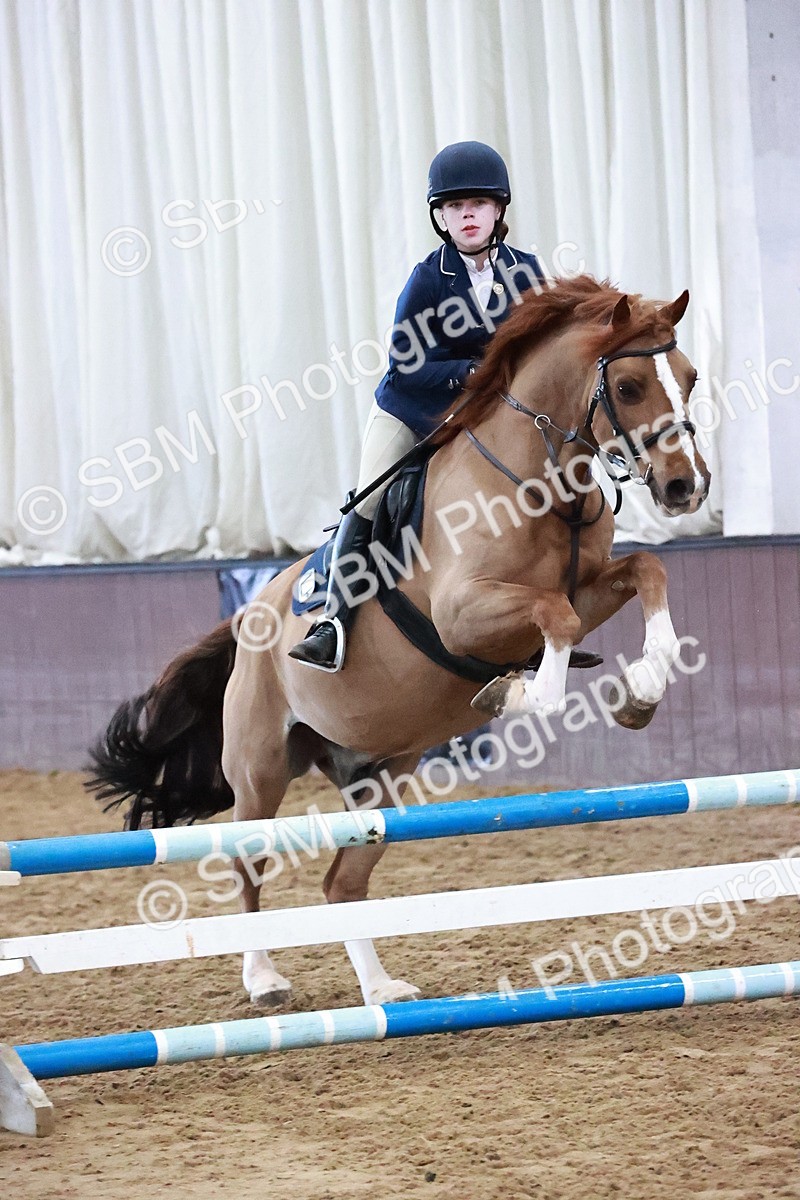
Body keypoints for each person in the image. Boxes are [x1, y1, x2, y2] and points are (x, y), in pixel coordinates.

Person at [289, 140, 545, 672]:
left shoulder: (527, 273)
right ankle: (331, 622)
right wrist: (470, 374)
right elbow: (406, 365)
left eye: (477, 203)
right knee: (369, 499)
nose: (466, 214)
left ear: (499, 209)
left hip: (487, 419)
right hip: (413, 411)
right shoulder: (428, 278)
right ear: (442, 218)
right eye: (454, 206)